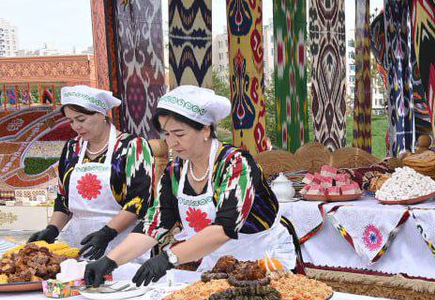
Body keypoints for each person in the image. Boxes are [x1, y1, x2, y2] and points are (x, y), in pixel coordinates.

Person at [83, 85, 297, 287]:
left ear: (205, 130)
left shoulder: (236, 164)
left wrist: (168, 258)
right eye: (166, 134)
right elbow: (155, 224)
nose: (172, 143)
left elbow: (224, 228)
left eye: (179, 134)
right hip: (218, 261)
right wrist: (110, 261)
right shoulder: (175, 171)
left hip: (264, 259)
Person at [28, 85, 154, 259]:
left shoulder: (133, 147)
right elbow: (64, 199)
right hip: (77, 242)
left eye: (81, 119)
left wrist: (106, 233)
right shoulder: (72, 148)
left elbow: (138, 202)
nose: (76, 127)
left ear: (102, 114)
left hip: (122, 243)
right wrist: (52, 229)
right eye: (71, 121)